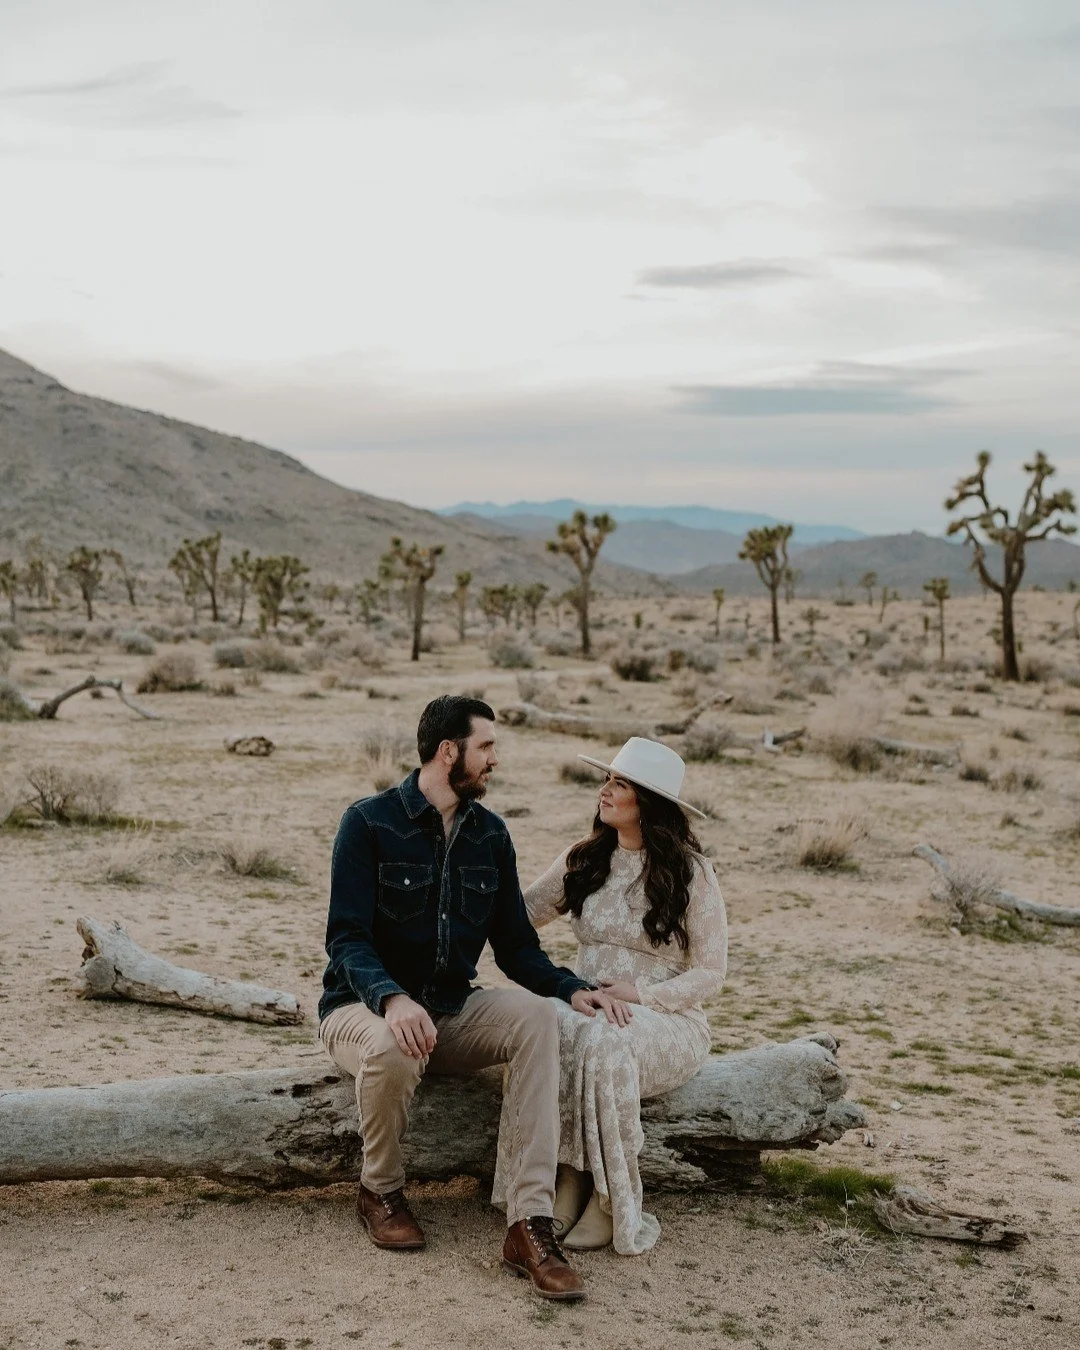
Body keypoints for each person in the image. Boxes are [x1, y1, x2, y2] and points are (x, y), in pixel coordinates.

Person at [318, 694, 629, 1301]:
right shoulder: (368, 822)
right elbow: (346, 940)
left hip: (451, 1010)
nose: (494, 761)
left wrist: (571, 989)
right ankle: (379, 1189)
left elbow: (515, 947)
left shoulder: (491, 835)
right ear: (447, 751)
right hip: (360, 1008)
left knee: (540, 1018)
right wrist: (391, 999)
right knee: (394, 1045)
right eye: (485, 747)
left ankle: (529, 1222)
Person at [493, 737, 728, 1256]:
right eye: (607, 780)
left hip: (663, 1017)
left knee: (606, 1040)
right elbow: (519, 916)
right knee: (545, 1022)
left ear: (648, 803)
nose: (604, 791)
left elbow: (712, 972)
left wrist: (641, 994)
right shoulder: (585, 859)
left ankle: (605, 1195)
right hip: (586, 1000)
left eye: (619, 784)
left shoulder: (691, 873)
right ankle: (564, 1178)